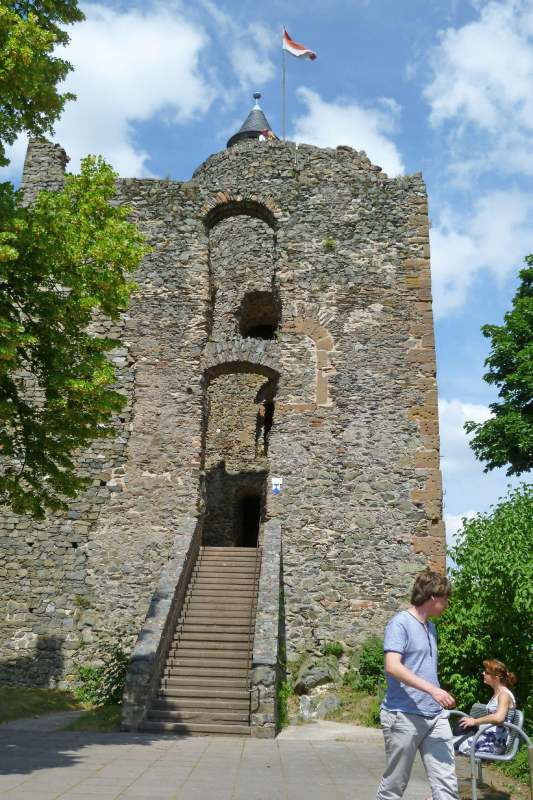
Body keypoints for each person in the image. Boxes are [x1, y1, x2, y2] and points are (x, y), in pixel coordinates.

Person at [376, 570, 459, 800]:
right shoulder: (400, 624)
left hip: (435, 716)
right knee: (394, 786)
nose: (447, 604)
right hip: (403, 716)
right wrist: (433, 690)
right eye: (445, 599)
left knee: (446, 785)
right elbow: (392, 666)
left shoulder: (431, 627)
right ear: (433, 597)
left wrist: (435, 695)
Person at [455, 659, 516, 755]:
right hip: (486, 736)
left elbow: (498, 718)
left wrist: (475, 721)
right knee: (451, 741)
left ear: (496, 677)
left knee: (450, 746)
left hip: (494, 743)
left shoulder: (504, 695)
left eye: (487, 672)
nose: (483, 673)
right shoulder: (498, 694)